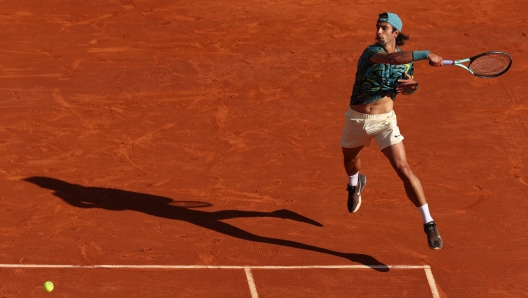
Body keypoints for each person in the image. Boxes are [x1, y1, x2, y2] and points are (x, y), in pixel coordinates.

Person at [340, 12, 444, 250]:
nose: (378, 32)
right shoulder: (371, 53)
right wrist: (426, 54)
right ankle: (355, 183)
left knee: (403, 168)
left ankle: (429, 223)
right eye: (377, 27)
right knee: (350, 160)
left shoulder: (405, 61)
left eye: (384, 28)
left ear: (396, 32)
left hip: (386, 121)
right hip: (357, 120)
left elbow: (406, 87)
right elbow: (394, 59)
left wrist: (412, 87)